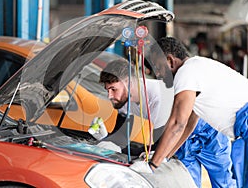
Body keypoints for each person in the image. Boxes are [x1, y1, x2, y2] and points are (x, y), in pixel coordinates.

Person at [100, 57, 236, 187]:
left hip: (207, 133)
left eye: (113, 89)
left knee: (223, 182)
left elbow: (158, 147)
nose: (110, 96)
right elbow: (122, 135)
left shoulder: (156, 96)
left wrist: (140, 157)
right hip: (179, 139)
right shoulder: (123, 101)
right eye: (107, 90)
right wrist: (104, 139)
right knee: (186, 183)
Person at [147, 37, 248, 187]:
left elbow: (177, 123)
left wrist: (152, 166)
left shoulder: (185, 73)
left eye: (158, 67)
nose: (158, 74)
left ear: (170, 60)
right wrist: (166, 157)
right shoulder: (198, 67)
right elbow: (189, 123)